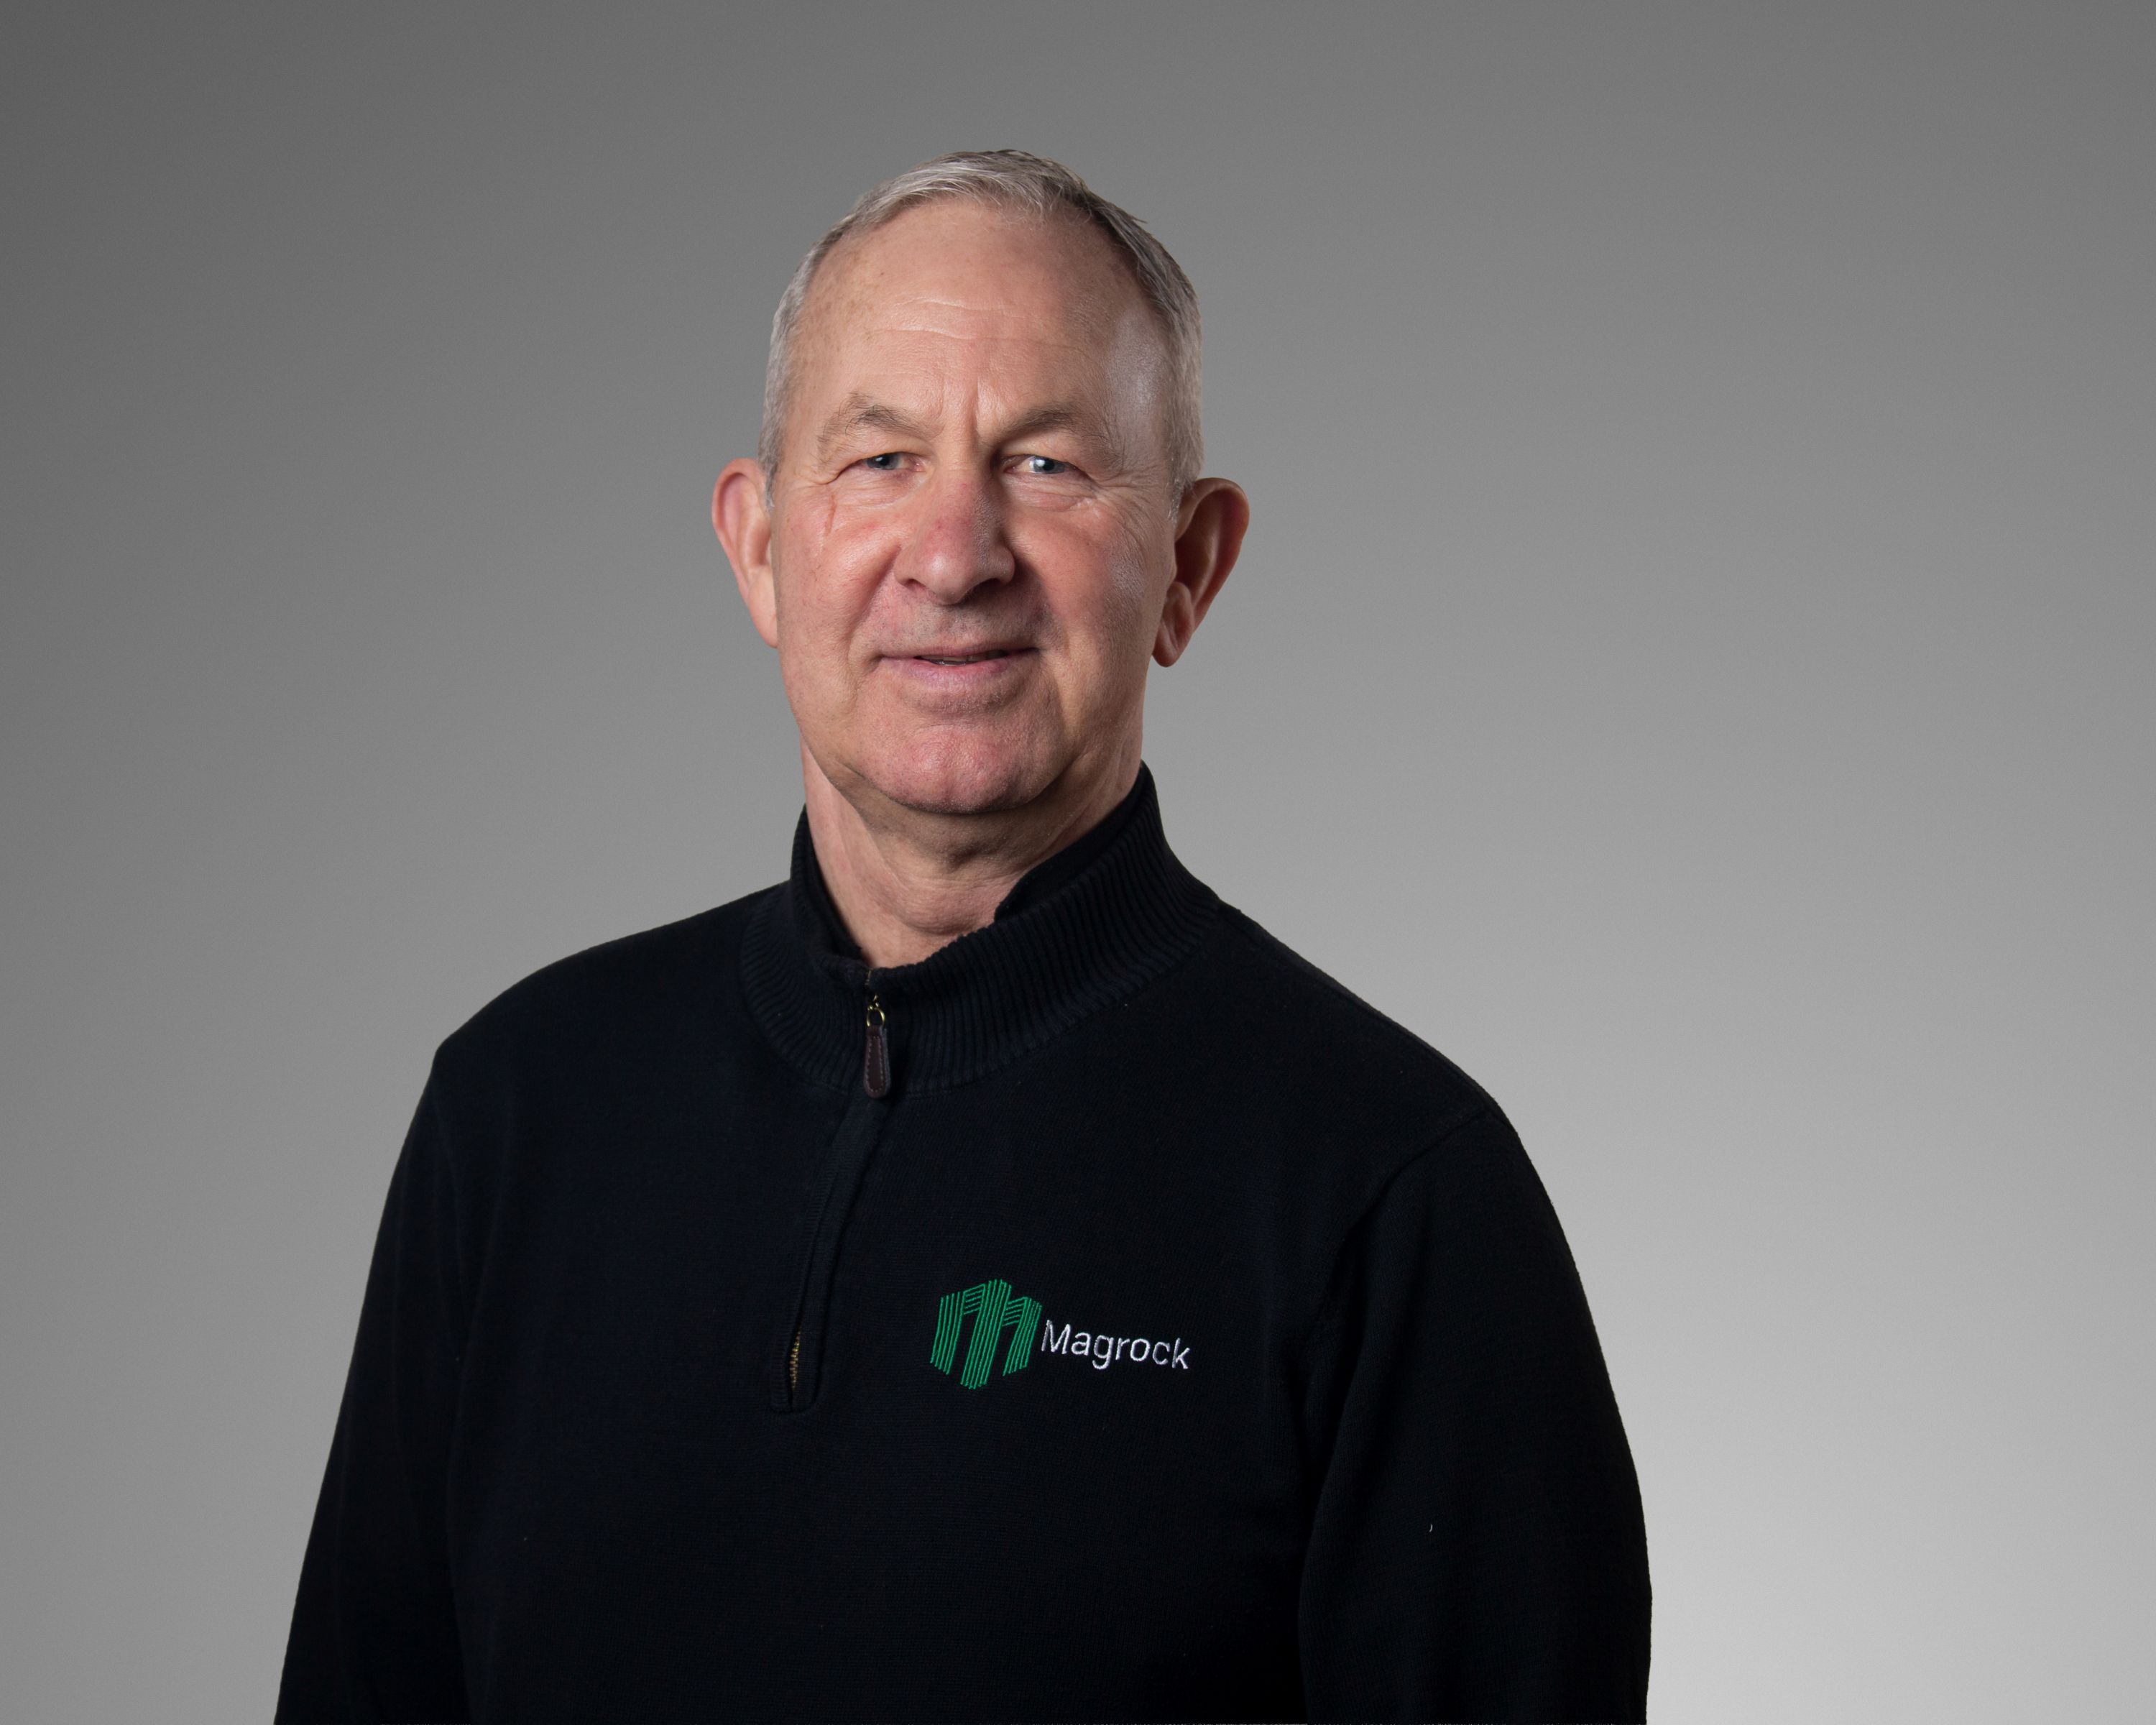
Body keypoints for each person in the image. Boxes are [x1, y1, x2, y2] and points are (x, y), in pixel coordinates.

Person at [276, 150, 1650, 1724]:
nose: (953, 554)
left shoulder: (1393, 1190)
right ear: (760, 549)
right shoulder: (520, 1111)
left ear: (1190, 567)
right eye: (878, 460)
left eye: (1047, 465)